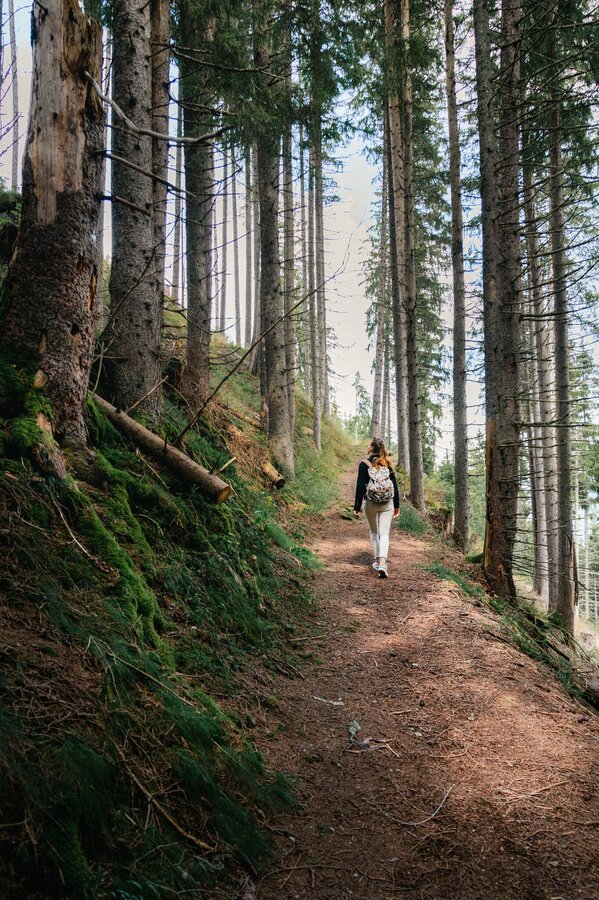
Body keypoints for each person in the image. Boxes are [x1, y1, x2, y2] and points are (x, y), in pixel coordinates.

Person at [353, 438, 400, 578]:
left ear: (371, 448)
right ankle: (383, 563)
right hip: (387, 503)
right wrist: (396, 505)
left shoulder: (364, 464)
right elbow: (394, 486)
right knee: (384, 534)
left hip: (370, 503)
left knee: (374, 532)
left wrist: (357, 507)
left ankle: (377, 561)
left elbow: (360, 487)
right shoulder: (387, 464)